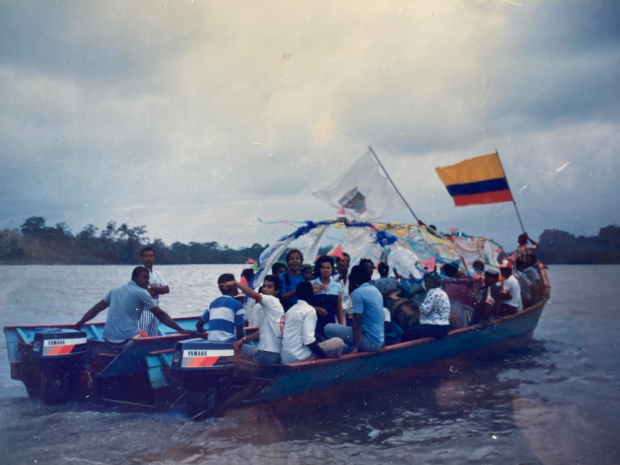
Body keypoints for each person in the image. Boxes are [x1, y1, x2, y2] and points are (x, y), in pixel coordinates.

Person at [75, 267, 192, 349]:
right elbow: (161, 314)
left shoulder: (115, 289)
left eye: (148, 278)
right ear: (135, 278)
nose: (147, 282)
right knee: (152, 342)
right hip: (125, 341)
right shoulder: (141, 292)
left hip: (107, 339)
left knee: (142, 332)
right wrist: (181, 330)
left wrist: (80, 323)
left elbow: (97, 308)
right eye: (144, 278)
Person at [280, 281, 345, 364]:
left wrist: (318, 338)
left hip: (286, 357)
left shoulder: (290, 310)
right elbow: (309, 341)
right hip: (300, 357)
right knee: (338, 342)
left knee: (320, 341)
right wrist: (325, 357)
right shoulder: (309, 310)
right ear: (311, 294)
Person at [324, 265, 384, 353]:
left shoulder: (358, 292)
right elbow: (380, 317)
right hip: (378, 342)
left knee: (328, 328)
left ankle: (342, 354)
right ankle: (349, 348)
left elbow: (356, 321)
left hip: (369, 343)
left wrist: (355, 348)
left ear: (355, 280)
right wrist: (383, 343)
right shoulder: (375, 290)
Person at [233, 275, 285, 365]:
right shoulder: (273, 305)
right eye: (264, 286)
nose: (265, 289)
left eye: (269, 287)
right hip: (272, 352)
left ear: (277, 291)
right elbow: (261, 331)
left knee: (235, 362)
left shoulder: (271, 300)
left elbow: (253, 295)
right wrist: (244, 339)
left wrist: (236, 284)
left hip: (267, 353)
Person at [401, 271, 451, 342]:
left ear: (436, 283)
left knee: (405, 335)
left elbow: (425, 310)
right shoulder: (442, 293)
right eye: (426, 282)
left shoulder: (432, 292)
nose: (426, 284)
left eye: (429, 282)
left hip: (435, 327)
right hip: (444, 328)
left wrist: (417, 306)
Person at [195, 274, 245, 342]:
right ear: (232, 287)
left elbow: (198, 325)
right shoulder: (238, 305)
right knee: (252, 349)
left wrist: (202, 331)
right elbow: (240, 334)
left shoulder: (213, 303)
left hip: (211, 343)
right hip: (227, 344)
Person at [137, 247, 170, 337]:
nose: (149, 258)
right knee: (142, 337)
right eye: (146, 256)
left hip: (155, 310)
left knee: (153, 337)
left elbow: (167, 289)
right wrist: (158, 290)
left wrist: (152, 289)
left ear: (154, 258)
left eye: (151, 256)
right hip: (143, 310)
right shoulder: (138, 272)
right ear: (142, 258)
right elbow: (144, 292)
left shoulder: (157, 273)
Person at [311, 255, 344, 337]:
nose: (326, 270)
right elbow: (305, 304)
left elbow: (339, 308)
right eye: (323, 268)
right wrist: (317, 308)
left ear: (332, 269)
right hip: (314, 322)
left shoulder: (338, 286)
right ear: (319, 269)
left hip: (330, 322)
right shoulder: (311, 284)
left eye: (328, 268)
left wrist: (341, 326)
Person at [334, 253, 353, 324]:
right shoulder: (333, 278)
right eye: (343, 260)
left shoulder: (350, 279)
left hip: (347, 314)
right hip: (335, 314)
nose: (345, 263)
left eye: (347, 261)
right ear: (337, 263)